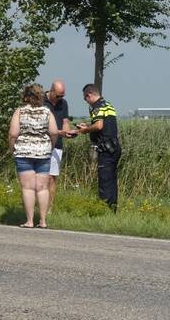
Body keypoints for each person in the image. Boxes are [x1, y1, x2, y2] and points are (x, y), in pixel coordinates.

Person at [8, 83, 58, 228]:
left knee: (28, 187)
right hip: (43, 152)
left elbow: (13, 134)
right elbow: (54, 132)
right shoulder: (47, 112)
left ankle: (30, 221)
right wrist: (50, 145)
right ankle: (43, 221)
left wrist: (12, 148)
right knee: (42, 187)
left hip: (24, 152)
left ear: (26, 96)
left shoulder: (20, 111)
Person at [76, 83, 121, 211]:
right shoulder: (108, 105)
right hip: (115, 147)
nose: (86, 101)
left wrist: (85, 130)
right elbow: (104, 125)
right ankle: (113, 210)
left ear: (89, 95)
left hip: (106, 149)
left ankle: (104, 210)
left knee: (105, 182)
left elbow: (99, 126)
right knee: (112, 181)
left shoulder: (96, 106)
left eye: (85, 98)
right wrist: (89, 126)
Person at [43, 80, 75, 213]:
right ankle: (36, 206)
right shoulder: (40, 101)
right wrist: (56, 132)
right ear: (51, 91)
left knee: (52, 178)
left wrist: (67, 132)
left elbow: (65, 121)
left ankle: (49, 208)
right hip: (41, 143)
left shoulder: (63, 103)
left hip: (57, 145)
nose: (61, 98)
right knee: (40, 177)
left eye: (63, 95)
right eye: (58, 95)